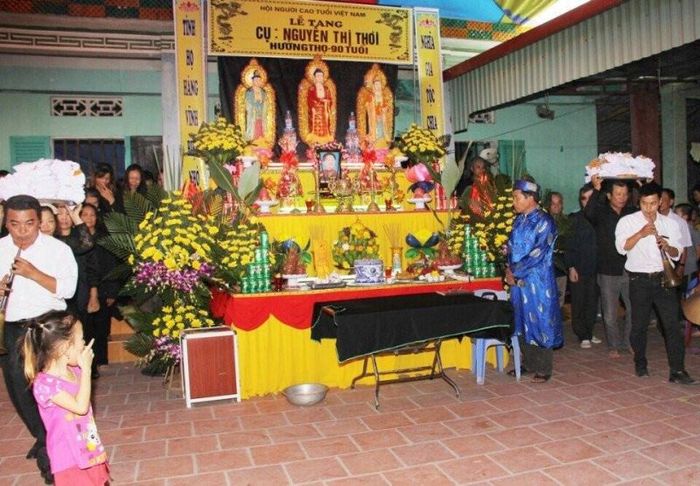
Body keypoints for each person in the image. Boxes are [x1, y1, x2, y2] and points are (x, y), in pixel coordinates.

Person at [0, 195, 78, 483]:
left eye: (29, 223)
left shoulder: (57, 249)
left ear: (39, 221)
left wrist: (33, 273)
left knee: (54, 389)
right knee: (19, 389)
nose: (22, 231)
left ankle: (52, 452)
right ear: (6, 221)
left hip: (48, 327)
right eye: (14, 224)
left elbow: (68, 290)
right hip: (12, 328)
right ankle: (44, 436)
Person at [615, 182, 694, 384]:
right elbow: (621, 247)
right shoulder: (627, 221)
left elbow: (677, 253)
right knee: (639, 325)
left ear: (660, 202)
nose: (648, 208)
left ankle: (677, 370)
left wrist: (667, 246)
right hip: (639, 279)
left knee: (672, 325)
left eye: (652, 203)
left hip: (663, 279)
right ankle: (640, 362)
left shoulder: (671, 224)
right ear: (639, 202)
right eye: (644, 204)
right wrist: (641, 233)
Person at [22, 311, 109, 485]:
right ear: (63, 348)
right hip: (68, 457)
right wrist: (87, 371)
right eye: (81, 339)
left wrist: (83, 372)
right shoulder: (45, 384)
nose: (84, 343)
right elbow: (81, 407)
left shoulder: (74, 371)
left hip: (87, 445)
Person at [505, 179, 562, 383]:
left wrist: (515, 271)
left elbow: (538, 253)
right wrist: (508, 268)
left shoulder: (545, 222)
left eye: (516, 197)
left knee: (541, 320)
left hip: (537, 281)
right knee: (521, 320)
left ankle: (544, 368)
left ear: (530, 198)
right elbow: (510, 247)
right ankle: (528, 363)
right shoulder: (519, 221)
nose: (514, 202)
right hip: (518, 282)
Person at [585, 175, 636, 358]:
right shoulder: (601, 213)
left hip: (630, 268)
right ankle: (613, 344)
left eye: (625, 194)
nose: (622, 197)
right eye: (618, 194)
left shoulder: (632, 214)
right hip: (607, 269)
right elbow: (588, 212)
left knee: (633, 308)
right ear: (609, 195)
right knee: (609, 312)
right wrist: (596, 188)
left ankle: (629, 342)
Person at [80, 203, 120, 369]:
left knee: (101, 328)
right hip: (82, 290)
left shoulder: (104, 239)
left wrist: (112, 292)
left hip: (103, 289)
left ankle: (101, 360)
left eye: (92, 215)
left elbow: (112, 266)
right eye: (85, 215)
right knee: (85, 329)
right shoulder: (76, 239)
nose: (89, 218)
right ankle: (87, 364)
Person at [565, 184, 601, 348]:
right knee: (579, 301)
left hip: (597, 268)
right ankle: (582, 334)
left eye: (591, 198)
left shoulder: (601, 218)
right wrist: (571, 266)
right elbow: (569, 244)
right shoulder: (574, 219)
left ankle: (589, 331)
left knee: (592, 302)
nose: (588, 202)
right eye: (585, 198)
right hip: (579, 267)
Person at [547, 192, 570, 309]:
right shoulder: (543, 222)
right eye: (553, 203)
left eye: (559, 203)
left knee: (559, 300)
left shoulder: (567, 222)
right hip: (546, 267)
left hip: (561, 267)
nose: (556, 206)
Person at [307, 68, 333, 140]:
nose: (319, 77)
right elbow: (310, 99)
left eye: (321, 76)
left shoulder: (326, 89)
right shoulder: (312, 88)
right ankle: (315, 138)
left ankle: (325, 137)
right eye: (318, 76)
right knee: (315, 124)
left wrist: (326, 101)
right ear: (315, 77)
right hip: (316, 110)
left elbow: (330, 99)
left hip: (325, 109)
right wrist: (316, 105)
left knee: (325, 123)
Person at [245, 70, 268, 142]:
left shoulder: (263, 92)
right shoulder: (249, 91)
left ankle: (261, 141)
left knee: (261, 127)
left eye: (259, 80)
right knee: (253, 129)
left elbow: (265, 103)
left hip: (261, 114)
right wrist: (253, 109)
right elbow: (248, 104)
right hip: (252, 115)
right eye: (256, 80)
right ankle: (252, 141)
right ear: (253, 81)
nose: (257, 82)